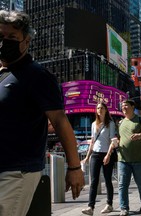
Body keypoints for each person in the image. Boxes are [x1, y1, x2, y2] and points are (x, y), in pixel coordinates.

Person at [0, 10, 84, 216]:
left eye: (11, 37)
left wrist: (74, 168)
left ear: (26, 41)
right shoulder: (3, 75)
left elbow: (60, 120)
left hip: (17, 172)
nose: (4, 43)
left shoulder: (37, 75)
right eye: (1, 37)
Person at [81, 102, 117, 215]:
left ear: (106, 110)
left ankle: (109, 204)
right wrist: (87, 157)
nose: (99, 110)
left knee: (107, 180)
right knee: (94, 181)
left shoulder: (110, 124)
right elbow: (92, 142)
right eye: (98, 108)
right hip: (95, 155)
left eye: (102, 108)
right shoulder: (93, 124)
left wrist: (108, 155)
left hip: (107, 154)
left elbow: (113, 140)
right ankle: (90, 207)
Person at [117, 99, 141, 216]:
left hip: (139, 159)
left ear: (132, 107)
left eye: (126, 105)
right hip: (123, 159)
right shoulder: (120, 123)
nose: (123, 107)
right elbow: (118, 138)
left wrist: (140, 135)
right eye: (122, 106)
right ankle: (124, 207)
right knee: (122, 185)